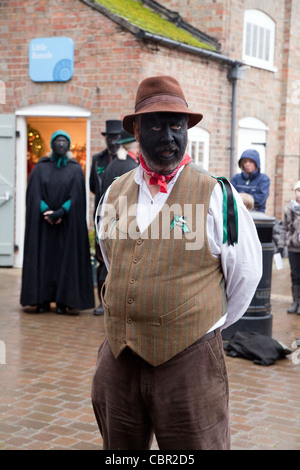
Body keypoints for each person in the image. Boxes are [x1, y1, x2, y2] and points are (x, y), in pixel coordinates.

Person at [91, 75, 262, 450]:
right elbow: (111, 258)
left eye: (176, 126)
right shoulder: (113, 194)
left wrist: (199, 323)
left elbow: (246, 275)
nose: (168, 137)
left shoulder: (218, 195)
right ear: (136, 130)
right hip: (119, 358)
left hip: (189, 364)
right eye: (155, 125)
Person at [20, 130, 95, 315]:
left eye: (64, 142)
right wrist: (46, 211)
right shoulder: (40, 167)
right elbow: (34, 194)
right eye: (57, 142)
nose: (61, 145)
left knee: (64, 263)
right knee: (43, 262)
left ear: (68, 146)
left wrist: (61, 212)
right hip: (43, 226)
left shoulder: (75, 168)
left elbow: (76, 197)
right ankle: (42, 300)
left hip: (66, 227)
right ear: (52, 145)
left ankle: (63, 301)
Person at [89, 120, 122, 315]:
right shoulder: (97, 160)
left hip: (121, 216)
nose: (113, 141)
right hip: (101, 215)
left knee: (116, 259)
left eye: (117, 137)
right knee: (101, 260)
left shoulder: (127, 161)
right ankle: (101, 302)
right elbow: (93, 185)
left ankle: (115, 302)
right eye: (110, 138)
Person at [277, 180, 300, 314]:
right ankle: (295, 301)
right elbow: (284, 229)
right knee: (295, 275)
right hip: (292, 248)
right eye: (298, 190)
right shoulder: (289, 209)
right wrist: (281, 246)